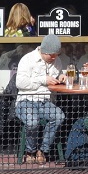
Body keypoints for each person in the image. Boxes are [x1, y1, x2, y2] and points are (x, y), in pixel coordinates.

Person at [13, 33, 67, 163]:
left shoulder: (57, 61)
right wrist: (43, 79)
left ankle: (42, 150)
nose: (54, 57)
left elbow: (58, 77)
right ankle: (30, 150)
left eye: (56, 55)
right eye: (51, 55)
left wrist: (61, 77)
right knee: (32, 121)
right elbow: (20, 83)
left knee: (59, 117)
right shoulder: (28, 59)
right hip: (26, 100)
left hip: (45, 101)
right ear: (43, 50)